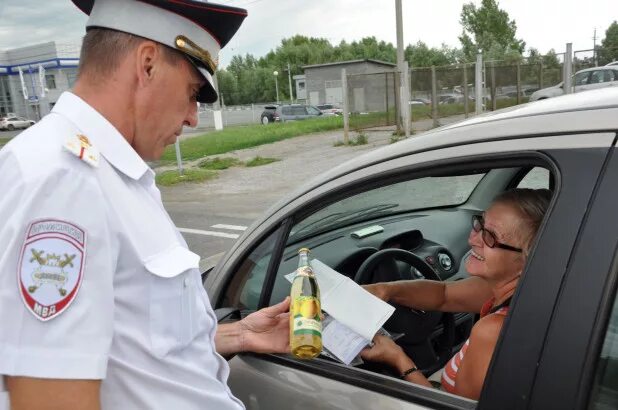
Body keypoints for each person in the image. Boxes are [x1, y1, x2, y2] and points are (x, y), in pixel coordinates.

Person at [0, 1, 290, 409]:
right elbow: (50, 399)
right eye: (193, 92)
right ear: (148, 64)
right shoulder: (62, 180)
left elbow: (132, 343)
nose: (193, 117)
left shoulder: (111, 174)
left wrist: (239, 335)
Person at [360, 188, 551, 400]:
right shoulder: (522, 290)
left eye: (490, 236)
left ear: (528, 259)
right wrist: (386, 289)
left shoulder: (493, 332)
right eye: (480, 223)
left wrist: (398, 359)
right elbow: (444, 294)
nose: (472, 239)